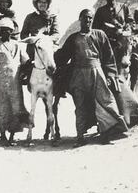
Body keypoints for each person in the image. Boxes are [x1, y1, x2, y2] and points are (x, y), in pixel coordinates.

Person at [54, 9, 128, 146]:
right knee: (80, 105)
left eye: (90, 18)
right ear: (80, 19)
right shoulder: (73, 38)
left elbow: (108, 56)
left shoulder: (100, 34)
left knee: (105, 101)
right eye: (85, 18)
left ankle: (107, 134)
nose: (88, 20)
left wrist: (110, 74)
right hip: (78, 75)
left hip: (97, 73)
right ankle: (80, 137)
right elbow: (62, 56)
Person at [0, 18, 31, 144]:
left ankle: (12, 135)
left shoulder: (17, 45)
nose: (5, 32)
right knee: (1, 108)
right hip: (0, 81)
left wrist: (31, 64)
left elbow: (25, 60)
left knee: (16, 108)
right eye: (2, 30)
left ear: (11, 31)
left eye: (7, 30)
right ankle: (2, 135)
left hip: (15, 82)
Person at [20, 0, 59, 86]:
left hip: (49, 46)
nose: (42, 4)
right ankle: (26, 79)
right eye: (40, 2)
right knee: (27, 65)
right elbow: (23, 34)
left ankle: (59, 86)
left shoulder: (53, 17)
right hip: (35, 47)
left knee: (58, 63)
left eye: (45, 2)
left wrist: (47, 39)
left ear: (48, 4)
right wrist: (33, 40)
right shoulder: (30, 17)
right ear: (36, 4)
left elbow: (56, 33)